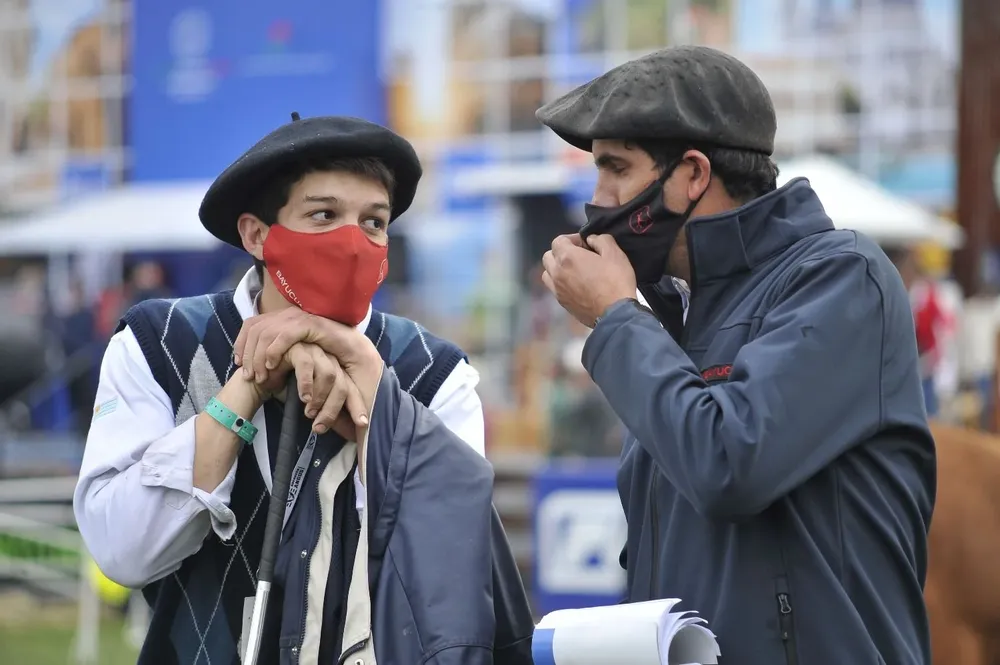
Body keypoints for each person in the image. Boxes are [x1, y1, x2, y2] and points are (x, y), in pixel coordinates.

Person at [74, 115, 533, 665]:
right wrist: (246, 386)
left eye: (374, 222)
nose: (351, 241)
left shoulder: (433, 372)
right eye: (323, 215)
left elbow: (448, 565)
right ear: (256, 234)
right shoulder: (158, 342)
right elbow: (123, 552)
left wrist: (371, 392)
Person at [536, 46, 934, 665]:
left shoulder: (842, 277)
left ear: (693, 174)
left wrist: (615, 317)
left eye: (616, 167)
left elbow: (727, 463)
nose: (599, 198)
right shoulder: (677, 318)